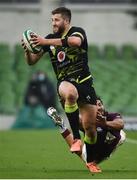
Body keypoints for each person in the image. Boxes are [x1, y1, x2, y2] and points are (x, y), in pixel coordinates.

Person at [21, 7, 98, 157]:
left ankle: (91, 158)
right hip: (65, 83)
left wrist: (45, 41)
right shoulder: (50, 38)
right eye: (52, 20)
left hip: (85, 83)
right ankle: (76, 138)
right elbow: (32, 62)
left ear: (67, 21)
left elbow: (75, 42)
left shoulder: (77, 31)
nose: (53, 23)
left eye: (56, 20)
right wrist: (27, 50)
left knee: (90, 129)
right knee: (69, 93)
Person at [47, 97, 126, 173]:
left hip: (110, 145)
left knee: (122, 136)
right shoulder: (88, 121)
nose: (98, 108)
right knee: (83, 155)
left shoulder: (111, 116)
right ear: (91, 109)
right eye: (95, 106)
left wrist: (105, 123)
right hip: (93, 151)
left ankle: (62, 127)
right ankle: (62, 126)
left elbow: (121, 124)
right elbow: (75, 119)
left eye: (100, 104)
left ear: (103, 105)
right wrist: (65, 104)